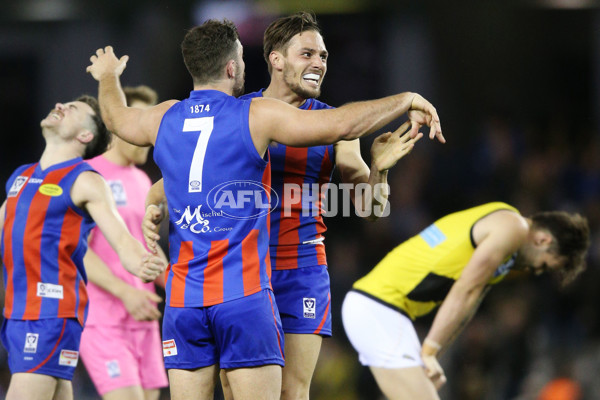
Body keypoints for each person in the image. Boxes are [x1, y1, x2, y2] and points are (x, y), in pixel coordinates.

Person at [86, 19, 443, 400]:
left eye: (323, 55)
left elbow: (370, 209)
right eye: (307, 53)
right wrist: (154, 204)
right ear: (276, 59)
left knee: (291, 391)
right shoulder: (243, 113)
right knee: (233, 386)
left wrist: (380, 171)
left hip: (299, 269)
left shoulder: (334, 125)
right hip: (244, 270)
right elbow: (186, 178)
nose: (319, 62)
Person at [0, 95, 166, 400]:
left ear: (85, 136)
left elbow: (122, 238)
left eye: (73, 109)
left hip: (51, 315)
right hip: (17, 314)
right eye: (62, 104)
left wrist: (141, 261)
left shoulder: (86, 180)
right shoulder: (20, 177)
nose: (60, 106)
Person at [341, 202, 590, 400]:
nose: (536, 271)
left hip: (385, 312)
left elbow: (468, 306)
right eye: (544, 265)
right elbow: (466, 289)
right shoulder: (513, 227)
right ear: (544, 240)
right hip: (378, 306)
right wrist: (429, 351)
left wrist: (432, 356)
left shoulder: (505, 254)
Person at [79, 86, 169, 400]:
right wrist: (124, 292)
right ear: (119, 122)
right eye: (141, 119)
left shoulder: (142, 180)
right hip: (104, 317)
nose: (150, 129)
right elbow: (77, 248)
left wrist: (176, 282)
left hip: (142, 315)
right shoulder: (88, 175)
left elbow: (145, 243)